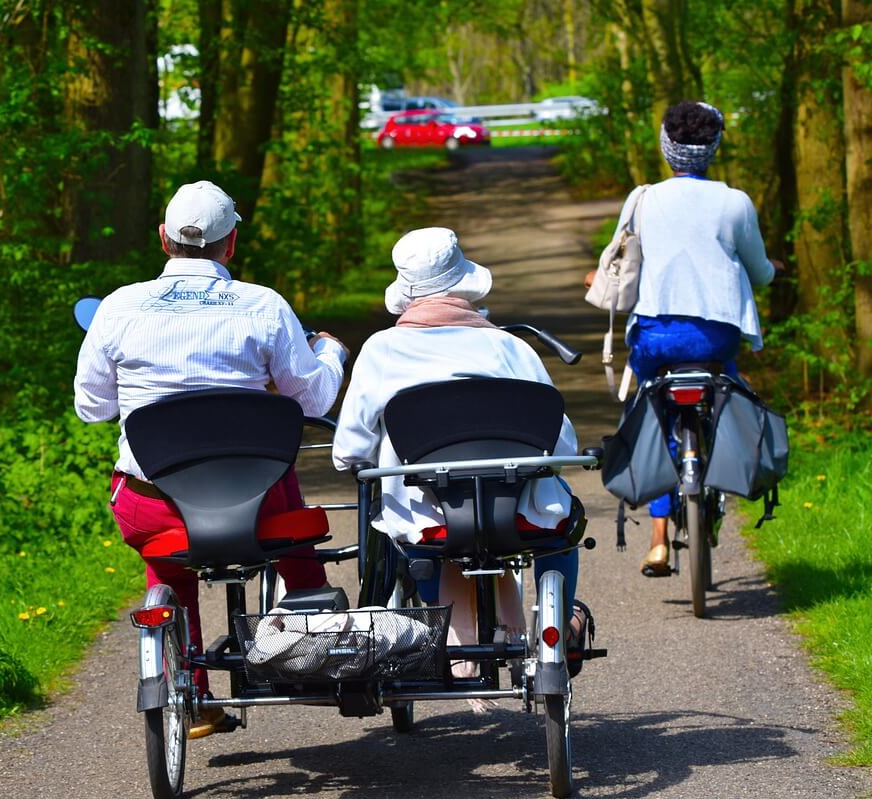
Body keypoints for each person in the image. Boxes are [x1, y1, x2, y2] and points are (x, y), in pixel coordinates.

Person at [74, 180, 348, 738]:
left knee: (169, 555)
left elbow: (92, 406)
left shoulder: (119, 307)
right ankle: (312, 637)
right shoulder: (263, 305)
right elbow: (314, 398)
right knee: (282, 490)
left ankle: (190, 688)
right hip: (254, 507)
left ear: (163, 239)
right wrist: (332, 354)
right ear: (231, 245)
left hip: (156, 507)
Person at [332, 227, 586, 688]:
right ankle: (563, 620)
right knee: (561, 520)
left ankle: (443, 630)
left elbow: (349, 450)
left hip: (430, 518)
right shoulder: (511, 348)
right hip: (517, 512)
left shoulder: (381, 350)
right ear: (463, 281)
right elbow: (562, 443)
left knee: (404, 536)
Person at [588, 101, 776, 577]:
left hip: (656, 336)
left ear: (666, 148)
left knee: (648, 414)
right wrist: (774, 271)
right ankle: (717, 477)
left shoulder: (644, 199)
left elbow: (623, 261)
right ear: (713, 149)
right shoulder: (735, 202)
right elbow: (759, 270)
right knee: (729, 392)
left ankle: (656, 538)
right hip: (717, 337)